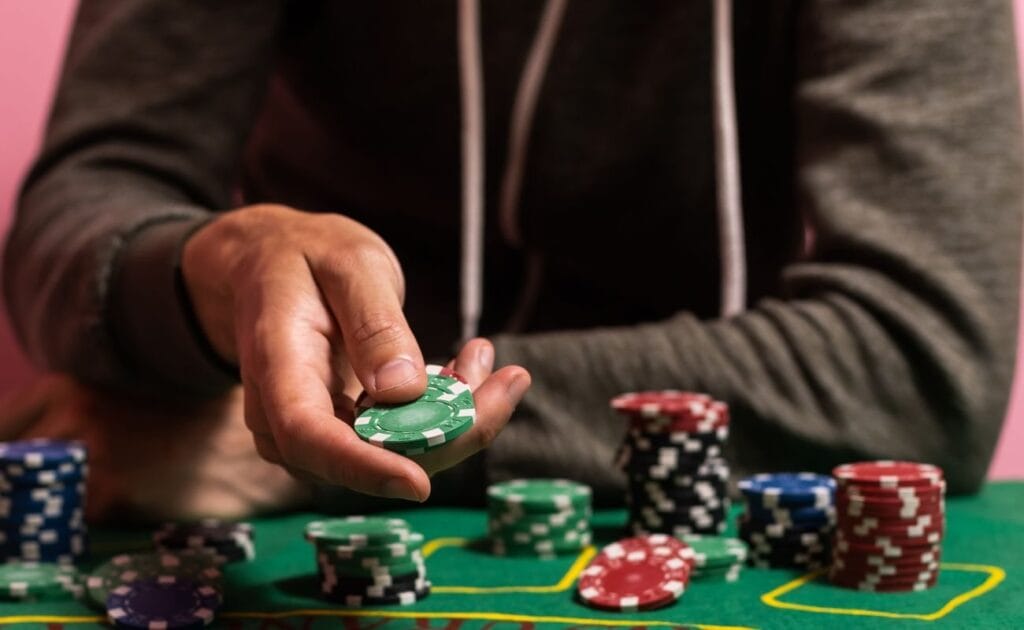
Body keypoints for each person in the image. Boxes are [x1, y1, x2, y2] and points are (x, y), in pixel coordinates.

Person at [3, 1, 1021, 518]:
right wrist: (203, 273)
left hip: (684, 518)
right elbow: (85, 204)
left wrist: (295, 451)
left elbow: (919, 353)